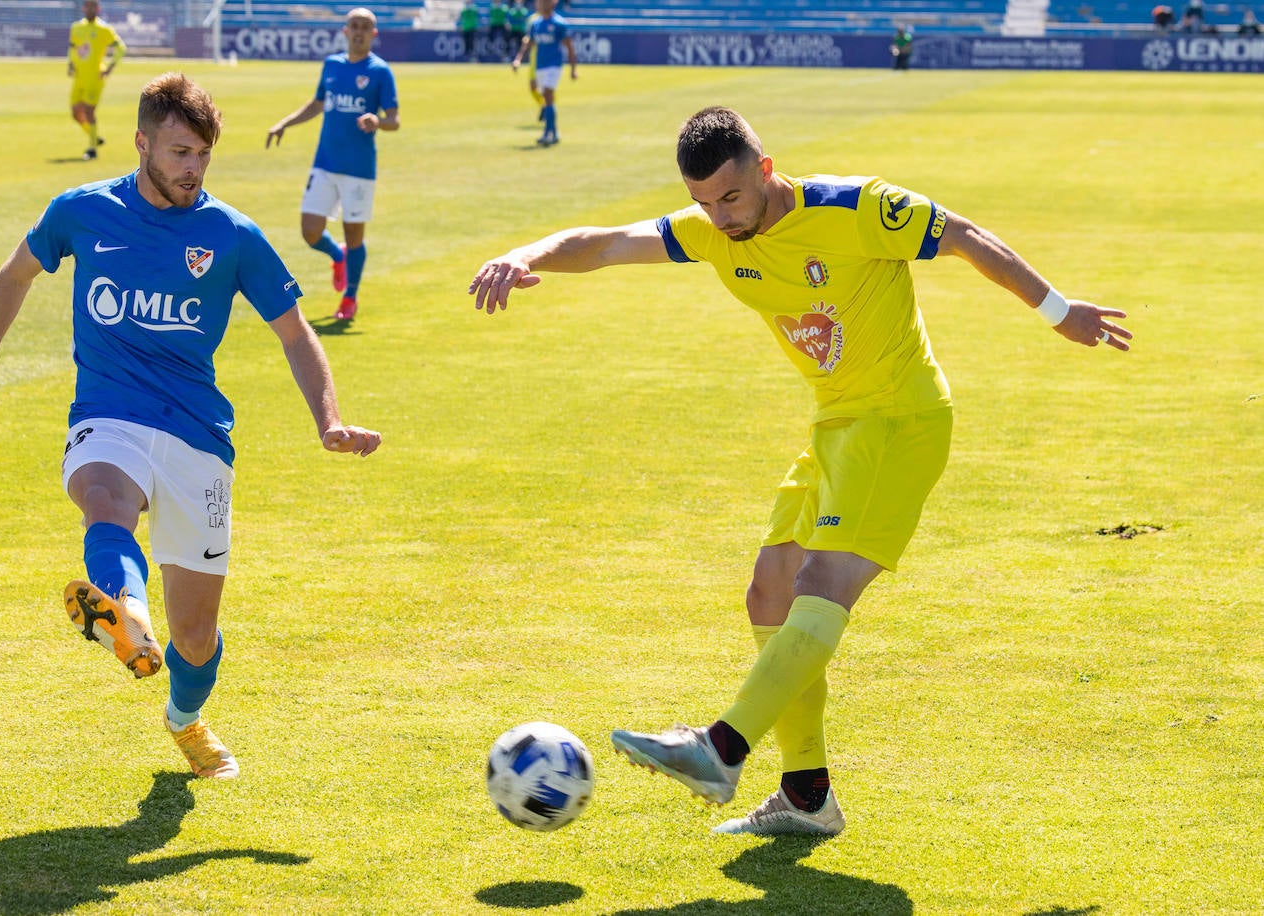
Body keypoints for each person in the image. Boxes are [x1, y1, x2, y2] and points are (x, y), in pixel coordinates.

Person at [469, 107, 1131, 835]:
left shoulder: (858, 208)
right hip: (834, 426)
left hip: (900, 422)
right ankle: (808, 795)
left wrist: (1059, 310)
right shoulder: (713, 233)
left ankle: (719, 749)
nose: (717, 218)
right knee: (770, 590)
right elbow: (600, 245)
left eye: (729, 197)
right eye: (701, 203)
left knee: (822, 584)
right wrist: (524, 253)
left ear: (765, 169)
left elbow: (967, 236)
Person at [0, 72, 382, 780]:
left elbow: (296, 334)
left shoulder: (230, 234)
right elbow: (15, 274)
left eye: (203, 155)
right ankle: (124, 611)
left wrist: (328, 421)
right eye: (180, 152)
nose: (192, 169)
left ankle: (183, 717)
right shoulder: (81, 212)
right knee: (103, 498)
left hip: (198, 436)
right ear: (142, 142)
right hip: (108, 413)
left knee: (197, 637)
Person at [266, 8, 400, 323]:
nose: (359, 32)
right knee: (310, 231)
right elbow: (317, 104)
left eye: (365, 27)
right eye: (354, 26)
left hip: (359, 169)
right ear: (345, 30)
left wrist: (377, 121)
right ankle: (337, 256)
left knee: (355, 237)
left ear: (374, 34)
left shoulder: (380, 71)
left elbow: (394, 120)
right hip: (325, 163)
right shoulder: (332, 65)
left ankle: (350, 296)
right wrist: (286, 122)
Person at [511, 0, 576, 147]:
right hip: (540, 65)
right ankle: (553, 131)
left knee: (547, 94)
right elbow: (529, 43)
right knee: (547, 99)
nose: (538, 5)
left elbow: (569, 47)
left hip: (554, 65)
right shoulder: (536, 24)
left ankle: (548, 133)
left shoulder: (559, 24)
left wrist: (573, 69)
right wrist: (518, 59)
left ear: (550, 4)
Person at [68, 0, 126, 161]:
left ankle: (92, 149)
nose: (90, 8)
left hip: (95, 77)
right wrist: (70, 64)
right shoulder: (76, 27)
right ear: (83, 8)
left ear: (98, 8)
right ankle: (95, 138)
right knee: (75, 114)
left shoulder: (104, 29)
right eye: (87, 5)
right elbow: (73, 48)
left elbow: (121, 47)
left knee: (88, 111)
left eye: (93, 5)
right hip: (79, 76)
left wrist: (110, 67)